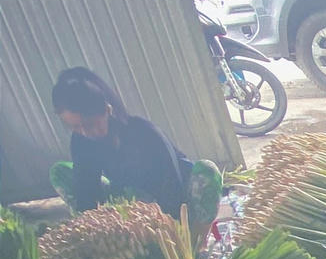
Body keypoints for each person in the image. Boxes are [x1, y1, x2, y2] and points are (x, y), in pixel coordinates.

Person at [49, 67, 221, 228]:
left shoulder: (144, 132)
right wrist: (90, 230)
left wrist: (168, 230)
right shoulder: (81, 141)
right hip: (132, 202)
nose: (85, 132)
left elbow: (172, 187)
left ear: (106, 110)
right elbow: (86, 189)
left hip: (177, 199)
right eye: (76, 127)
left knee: (207, 171)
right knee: (61, 172)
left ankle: (197, 240)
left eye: (90, 124)